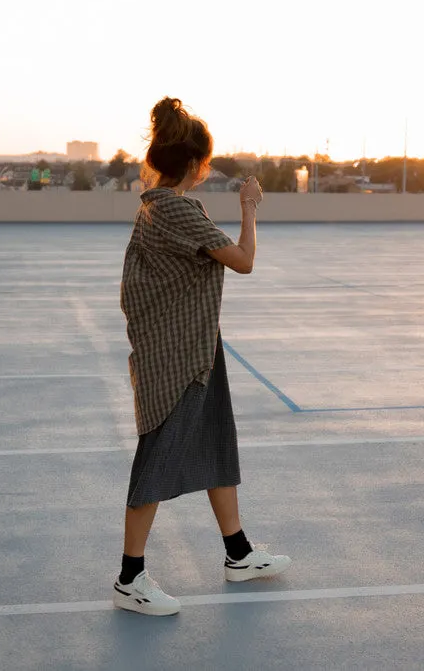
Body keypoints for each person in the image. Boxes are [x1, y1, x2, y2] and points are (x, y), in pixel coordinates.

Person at [113, 97, 291, 616]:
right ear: (194, 163)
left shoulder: (155, 203)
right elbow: (243, 261)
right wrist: (250, 208)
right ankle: (130, 577)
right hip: (175, 358)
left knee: (216, 445)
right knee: (157, 458)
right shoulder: (174, 207)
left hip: (193, 348)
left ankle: (238, 553)